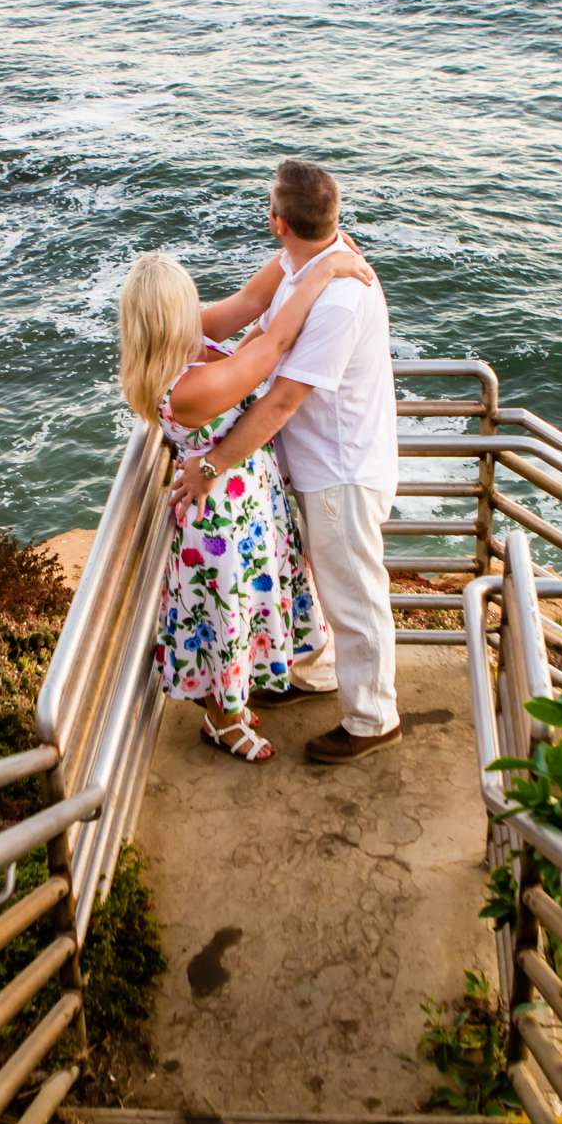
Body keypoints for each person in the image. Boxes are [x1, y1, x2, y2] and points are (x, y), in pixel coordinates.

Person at [170, 160, 401, 765]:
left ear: (277, 222)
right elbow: (247, 304)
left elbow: (282, 399)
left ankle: (373, 717)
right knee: (324, 581)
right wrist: (158, 326)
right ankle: (320, 674)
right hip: (312, 461)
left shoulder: (340, 299)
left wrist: (212, 464)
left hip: (342, 469)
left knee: (354, 593)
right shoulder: (303, 263)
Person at [116, 245, 374, 763]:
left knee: (241, 612)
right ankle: (221, 720)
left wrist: (309, 241)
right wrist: (326, 268)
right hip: (221, 522)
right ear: (169, 315)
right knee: (225, 617)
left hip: (244, 504)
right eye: (185, 302)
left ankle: (230, 705)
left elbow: (255, 300)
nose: (197, 309)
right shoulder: (188, 388)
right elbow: (274, 342)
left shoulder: (184, 340)